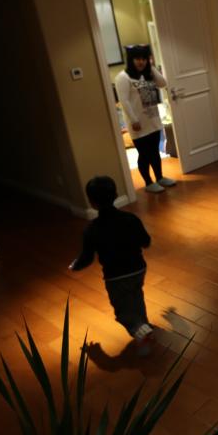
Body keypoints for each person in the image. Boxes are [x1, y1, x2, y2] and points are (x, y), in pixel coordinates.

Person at [69, 175, 156, 356]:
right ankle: (144, 323)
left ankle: (139, 331)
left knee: (122, 311)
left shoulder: (91, 230)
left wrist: (76, 265)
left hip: (116, 277)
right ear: (116, 194)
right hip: (138, 269)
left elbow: (87, 258)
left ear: (92, 202)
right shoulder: (131, 219)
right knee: (136, 295)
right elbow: (145, 241)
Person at [114, 44, 177, 193]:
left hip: (153, 120)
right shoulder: (123, 77)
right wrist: (134, 120)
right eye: (137, 58)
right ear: (131, 59)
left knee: (155, 152)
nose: (141, 62)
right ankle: (148, 183)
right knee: (145, 154)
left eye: (144, 58)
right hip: (138, 123)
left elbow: (163, 83)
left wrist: (152, 68)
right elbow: (124, 101)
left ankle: (160, 178)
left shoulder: (148, 74)